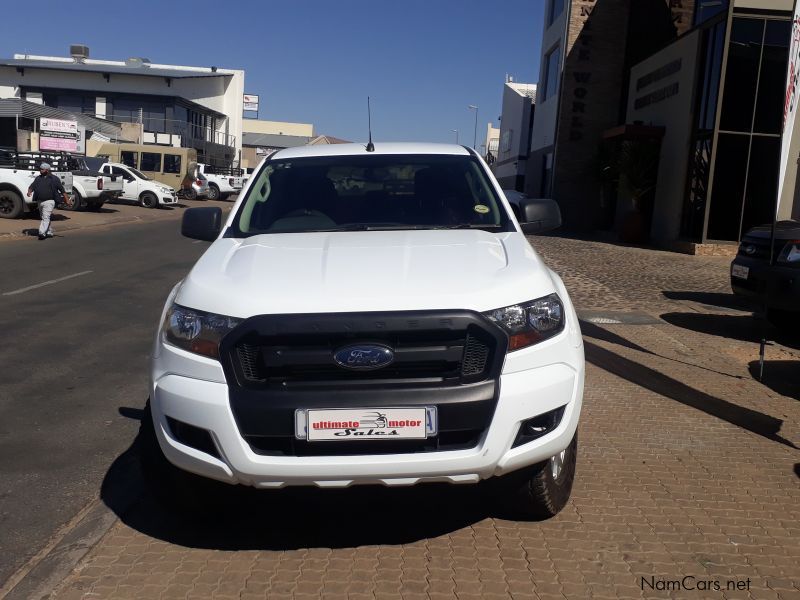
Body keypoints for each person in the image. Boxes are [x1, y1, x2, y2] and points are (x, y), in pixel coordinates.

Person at [27, 162, 70, 240]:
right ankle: (49, 232)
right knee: (44, 217)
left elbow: (62, 190)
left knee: (46, 217)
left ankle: (41, 233)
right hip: (40, 201)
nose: (40, 170)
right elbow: (32, 186)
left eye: (42, 169)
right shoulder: (38, 178)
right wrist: (29, 191)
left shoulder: (54, 179)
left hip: (49, 201)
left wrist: (67, 199)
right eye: (40, 169)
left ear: (47, 170)